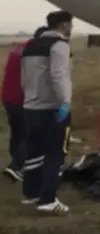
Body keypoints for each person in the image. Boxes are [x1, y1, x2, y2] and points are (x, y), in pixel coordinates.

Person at [19, 10, 74, 214]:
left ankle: (31, 193)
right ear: (64, 25)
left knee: (34, 152)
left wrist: (29, 98)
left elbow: (24, 79)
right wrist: (65, 102)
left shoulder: (30, 46)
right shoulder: (59, 45)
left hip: (31, 107)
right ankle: (48, 199)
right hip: (53, 109)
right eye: (70, 25)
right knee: (55, 153)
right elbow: (59, 75)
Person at [2, 26, 48, 182]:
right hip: (23, 99)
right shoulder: (35, 53)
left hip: (8, 97)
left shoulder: (19, 49)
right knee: (32, 134)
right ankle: (16, 166)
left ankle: (15, 166)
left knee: (17, 132)